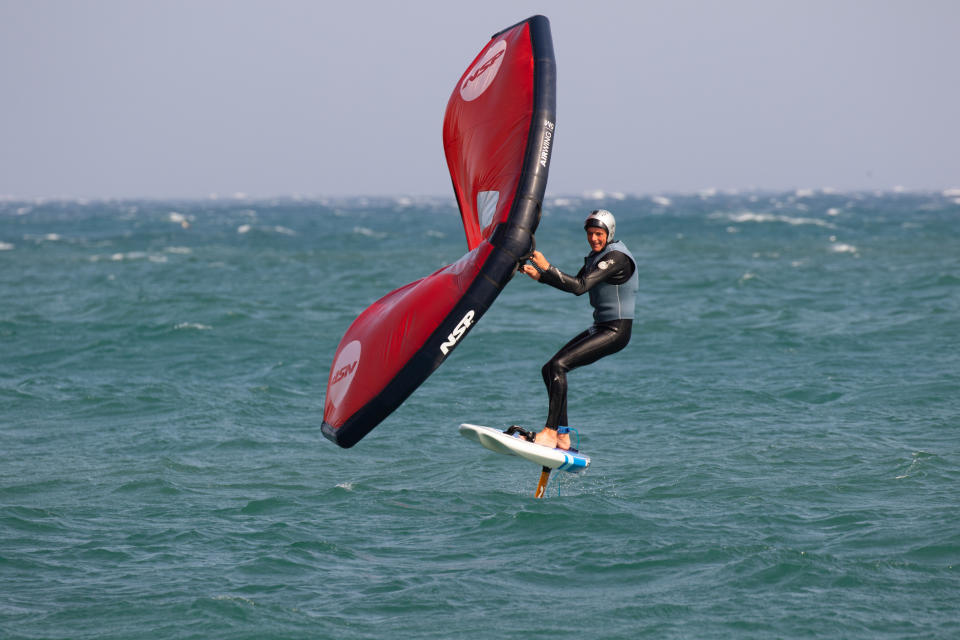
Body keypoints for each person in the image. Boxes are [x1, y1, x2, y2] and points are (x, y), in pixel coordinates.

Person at [520, 209, 639, 450]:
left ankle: (549, 433)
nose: (594, 239)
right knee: (549, 369)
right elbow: (574, 283)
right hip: (601, 327)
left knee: (558, 366)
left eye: (598, 234)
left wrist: (547, 267)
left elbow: (579, 287)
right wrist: (540, 276)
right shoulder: (598, 256)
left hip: (615, 331)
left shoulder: (616, 258)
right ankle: (562, 436)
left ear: (609, 233)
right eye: (590, 234)